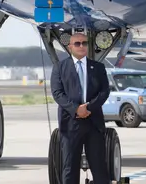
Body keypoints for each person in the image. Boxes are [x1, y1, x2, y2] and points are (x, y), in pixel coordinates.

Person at [50, 31, 111, 184]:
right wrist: (76, 109)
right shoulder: (59, 68)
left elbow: (105, 91)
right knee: (69, 167)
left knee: (99, 167)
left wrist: (89, 107)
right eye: (77, 43)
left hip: (93, 123)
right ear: (70, 46)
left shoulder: (98, 67)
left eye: (84, 43)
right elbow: (57, 93)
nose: (81, 46)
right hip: (70, 124)